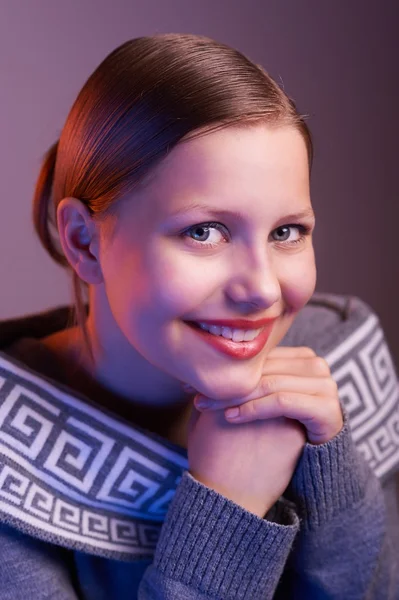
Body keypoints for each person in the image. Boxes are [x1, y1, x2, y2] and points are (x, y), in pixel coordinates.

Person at [0, 33, 397, 599]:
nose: (261, 289)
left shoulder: (337, 358)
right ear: (85, 242)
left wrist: (332, 474)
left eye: (287, 232)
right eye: (204, 232)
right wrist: (226, 511)